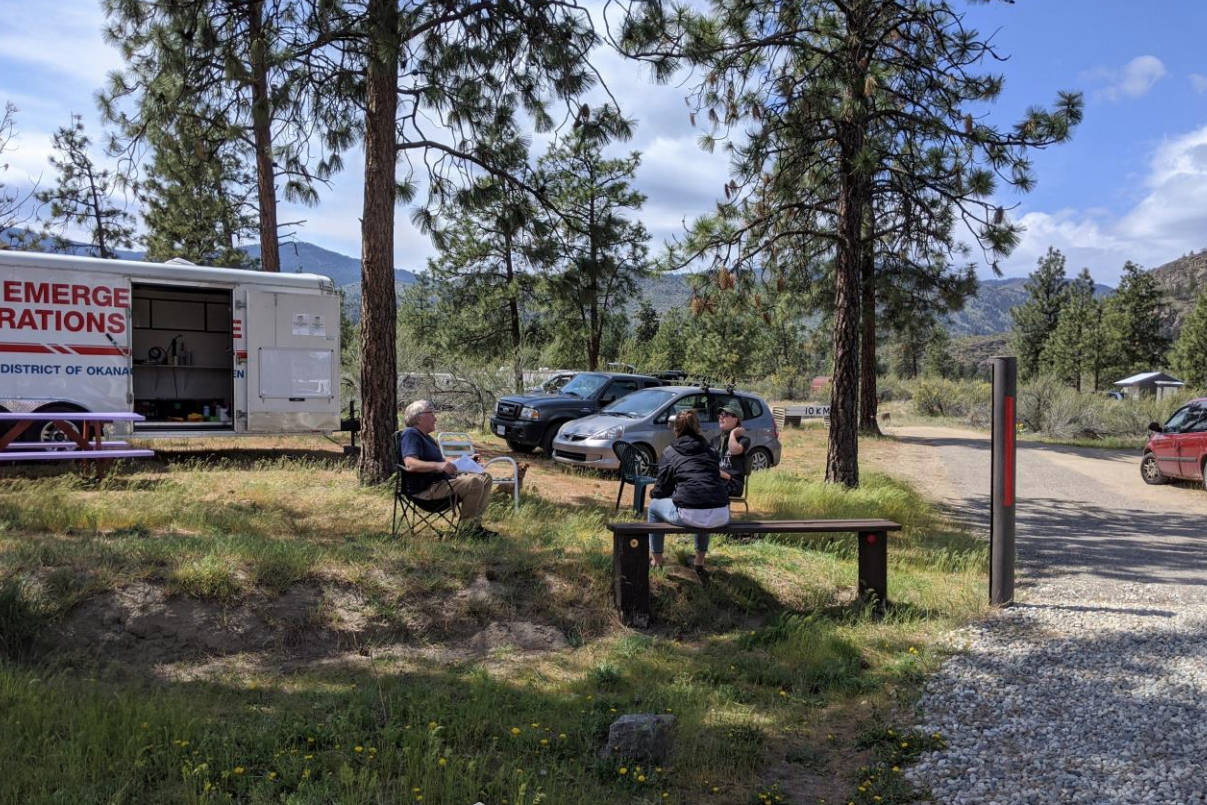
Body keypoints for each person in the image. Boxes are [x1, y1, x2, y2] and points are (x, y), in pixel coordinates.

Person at [647, 409, 730, 583]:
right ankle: (699, 562)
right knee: (702, 502)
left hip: (691, 514)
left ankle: (657, 560)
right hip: (722, 513)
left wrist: (654, 493)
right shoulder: (710, 450)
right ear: (698, 428)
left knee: (654, 506)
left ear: (675, 429)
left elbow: (661, 489)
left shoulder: (670, 452)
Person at [399, 399, 496, 538]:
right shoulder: (410, 434)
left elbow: (442, 462)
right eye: (431, 414)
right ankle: (467, 531)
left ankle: (475, 525)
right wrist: (439, 466)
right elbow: (410, 464)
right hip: (427, 490)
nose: (435, 418)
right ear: (419, 417)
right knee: (474, 482)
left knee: (485, 478)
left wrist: (466, 461)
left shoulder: (427, 438)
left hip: (441, 484)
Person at [716, 401, 750, 499]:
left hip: (733, 483)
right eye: (720, 414)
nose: (721, 417)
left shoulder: (744, 440)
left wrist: (732, 434)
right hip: (717, 479)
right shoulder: (714, 441)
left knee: (708, 488)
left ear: (736, 419)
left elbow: (734, 450)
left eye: (726, 414)